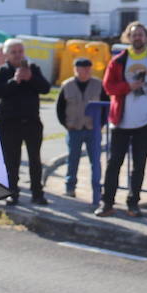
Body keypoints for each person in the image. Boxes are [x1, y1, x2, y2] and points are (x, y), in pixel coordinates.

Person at [97, 21, 147, 218]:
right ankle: (107, 203)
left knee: (139, 165)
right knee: (114, 164)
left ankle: (133, 203)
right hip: (121, 121)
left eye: (141, 34)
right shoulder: (118, 61)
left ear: (146, 37)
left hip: (146, 121)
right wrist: (128, 86)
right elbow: (108, 87)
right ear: (128, 37)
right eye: (134, 34)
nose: (137, 37)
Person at [0, 39, 52, 205]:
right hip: (10, 123)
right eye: (14, 52)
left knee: (35, 160)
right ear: (7, 55)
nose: (18, 55)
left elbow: (46, 88)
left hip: (32, 122)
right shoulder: (1, 71)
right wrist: (14, 81)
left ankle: (37, 193)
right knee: (11, 161)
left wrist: (31, 78)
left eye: (20, 51)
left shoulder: (33, 68)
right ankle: (12, 192)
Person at [56, 56, 107, 198]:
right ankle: (70, 188)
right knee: (72, 159)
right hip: (74, 129)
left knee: (95, 161)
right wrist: (66, 124)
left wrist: (101, 124)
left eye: (88, 68)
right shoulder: (67, 85)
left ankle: (97, 189)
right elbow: (60, 108)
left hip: (93, 129)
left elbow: (106, 107)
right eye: (82, 68)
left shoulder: (99, 85)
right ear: (75, 69)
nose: (85, 71)